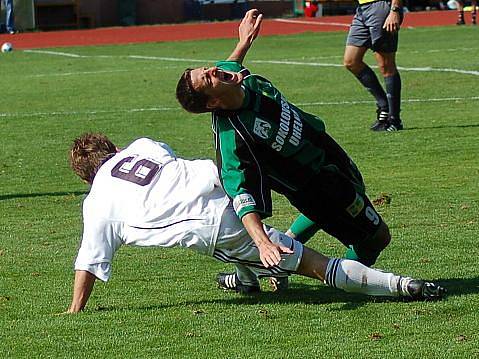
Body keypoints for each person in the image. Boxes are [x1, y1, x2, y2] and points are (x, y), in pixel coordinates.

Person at [66, 133, 444, 312]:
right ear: (114, 150)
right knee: (235, 250)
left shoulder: (97, 200)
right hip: (228, 183)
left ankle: (403, 285)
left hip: (212, 225)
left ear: (87, 176)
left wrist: (75, 309)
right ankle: (246, 280)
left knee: (316, 266)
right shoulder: (142, 145)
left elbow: (89, 263)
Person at [175, 8, 397, 292]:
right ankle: (348, 282)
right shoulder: (234, 137)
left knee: (359, 191)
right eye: (208, 78)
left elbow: (229, 65)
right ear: (214, 103)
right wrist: (261, 242)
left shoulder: (233, 80)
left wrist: (244, 41)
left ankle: (289, 242)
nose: (213, 70)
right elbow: (240, 195)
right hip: (318, 188)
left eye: (206, 68)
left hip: (327, 152)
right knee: (376, 238)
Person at [343, 0, 404, 131]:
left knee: (386, 65)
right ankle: (384, 106)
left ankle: (394, 119)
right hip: (362, 10)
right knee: (351, 61)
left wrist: (394, 11)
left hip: (381, 7)